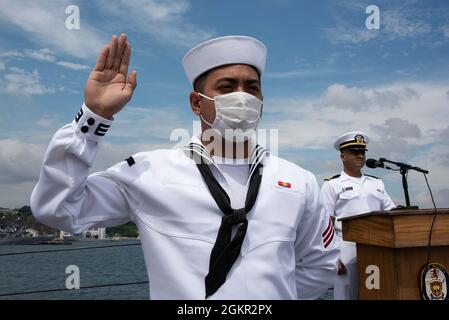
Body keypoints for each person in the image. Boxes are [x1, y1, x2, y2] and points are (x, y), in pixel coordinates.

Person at [31, 33, 338, 299]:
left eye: (252, 88)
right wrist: (94, 116)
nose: (242, 96)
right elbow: (58, 209)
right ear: (196, 103)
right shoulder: (149, 172)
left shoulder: (299, 181)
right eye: (227, 87)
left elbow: (320, 264)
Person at [320, 131, 395, 300]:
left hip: (377, 248)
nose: (360, 155)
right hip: (345, 249)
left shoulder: (377, 183)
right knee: (346, 296)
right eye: (355, 152)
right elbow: (325, 223)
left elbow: (391, 213)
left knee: (376, 294)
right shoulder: (332, 185)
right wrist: (332, 256)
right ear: (343, 156)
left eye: (362, 152)